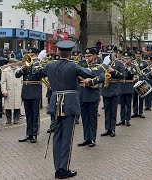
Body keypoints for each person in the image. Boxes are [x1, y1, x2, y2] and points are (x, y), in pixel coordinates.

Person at [33, 40, 110, 179]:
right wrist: (104, 65)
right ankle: (63, 168)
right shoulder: (73, 66)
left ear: (58, 52)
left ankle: (58, 168)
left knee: (57, 136)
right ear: (70, 53)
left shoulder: (50, 65)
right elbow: (90, 73)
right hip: (69, 104)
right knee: (67, 137)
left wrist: (38, 60)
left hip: (56, 103)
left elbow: (35, 72)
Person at [77, 47, 105, 147]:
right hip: (82, 95)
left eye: (89, 56)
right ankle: (86, 138)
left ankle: (92, 138)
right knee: (84, 119)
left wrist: (89, 81)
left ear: (94, 56)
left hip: (93, 96)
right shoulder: (81, 66)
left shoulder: (99, 67)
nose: (87, 58)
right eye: (86, 56)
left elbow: (102, 78)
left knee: (92, 119)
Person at [16, 48, 42, 143]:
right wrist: (23, 68)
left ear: (36, 55)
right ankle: (28, 133)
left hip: (35, 92)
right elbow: (17, 75)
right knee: (28, 114)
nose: (30, 56)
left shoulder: (39, 64)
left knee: (35, 114)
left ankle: (34, 134)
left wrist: (34, 65)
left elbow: (41, 74)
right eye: (29, 55)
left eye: (32, 55)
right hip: (26, 92)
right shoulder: (25, 65)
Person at [100, 45, 125, 137]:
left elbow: (123, 75)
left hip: (114, 88)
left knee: (113, 110)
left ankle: (113, 129)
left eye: (112, 52)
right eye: (109, 52)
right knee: (107, 110)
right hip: (106, 88)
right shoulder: (103, 63)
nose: (111, 54)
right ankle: (107, 128)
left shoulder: (119, 63)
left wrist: (113, 71)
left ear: (115, 53)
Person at [116, 51, 137, 127]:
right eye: (125, 59)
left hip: (128, 86)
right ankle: (122, 119)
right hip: (121, 86)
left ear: (131, 59)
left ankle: (127, 119)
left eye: (127, 59)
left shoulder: (133, 66)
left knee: (128, 104)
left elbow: (132, 74)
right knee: (122, 104)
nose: (126, 60)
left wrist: (126, 69)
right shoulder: (120, 66)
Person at [1, 58, 23, 124]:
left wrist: (22, 89)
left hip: (18, 89)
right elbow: (3, 82)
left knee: (17, 105)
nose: (15, 64)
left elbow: (22, 80)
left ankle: (16, 118)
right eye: (14, 63)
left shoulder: (20, 70)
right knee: (8, 105)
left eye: (16, 63)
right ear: (10, 63)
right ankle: (9, 119)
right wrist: (4, 90)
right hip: (9, 89)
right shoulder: (5, 71)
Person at [131, 50, 148, 118]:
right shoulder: (132, 63)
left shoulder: (144, 63)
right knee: (134, 98)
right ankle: (135, 112)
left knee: (141, 97)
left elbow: (147, 71)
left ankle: (140, 112)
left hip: (142, 82)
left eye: (139, 55)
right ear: (135, 55)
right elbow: (130, 70)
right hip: (134, 82)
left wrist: (144, 73)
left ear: (141, 55)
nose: (138, 56)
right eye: (137, 55)